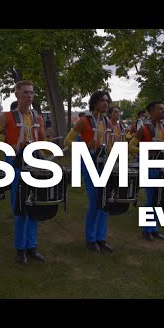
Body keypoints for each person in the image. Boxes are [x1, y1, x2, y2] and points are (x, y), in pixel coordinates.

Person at [0, 80, 47, 264]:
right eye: (25, 92)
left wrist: (45, 152)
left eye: (32, 93)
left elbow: (44, 139)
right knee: (20, 208)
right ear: (17, 94)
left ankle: (32, 246)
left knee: (34, 205)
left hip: (34, 162)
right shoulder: (8, 116)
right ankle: (20, 249)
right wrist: (8, 145)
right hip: (16, 163)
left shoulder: (38, 118)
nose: (29, 96)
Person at [64, 90, 113, 252]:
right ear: (94, 103)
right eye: (101, 101)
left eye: (107, 101)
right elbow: (68, 140)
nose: (105, 103)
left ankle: (101, 238)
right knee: (95, 202)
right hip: (90, 163)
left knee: (105, 201)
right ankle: (90, 239)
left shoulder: (107, 121)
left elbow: (110, 143)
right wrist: (85, 145)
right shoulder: (85, 121)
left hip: (104, 164)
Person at [129, 100, 164, 241]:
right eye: (160, 109)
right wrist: (146, 150)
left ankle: (154, 229)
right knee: (151, 198)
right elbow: (131, 146)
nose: (163, 111)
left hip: (161, 166)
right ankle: (147, 230)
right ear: (151, 112)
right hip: (149, 165)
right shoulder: (144, 129)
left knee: (159, 198)